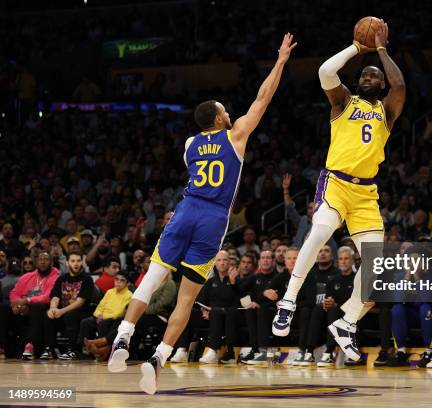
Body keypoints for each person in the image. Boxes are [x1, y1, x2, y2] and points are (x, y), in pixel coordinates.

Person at [107, 33, 297, 395]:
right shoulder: (236, 134)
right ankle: (159, 358)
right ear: (220, 117)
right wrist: (281, 62)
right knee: (186, 298)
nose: (230, 112)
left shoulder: (191, 144)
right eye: (226, 109)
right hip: (212, 219)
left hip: (186, 209)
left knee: (151, 279)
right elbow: (263, 98)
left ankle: (122, 337)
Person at [273, 21, 405, 362]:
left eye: (374, 76)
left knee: (378, 262)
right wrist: (358, 49)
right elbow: (325, 70)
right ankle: (288, 300)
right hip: (336, 182)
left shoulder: (387, 111)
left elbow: (400, 84)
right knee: (318, 233)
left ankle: (347, 322)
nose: (368, 78)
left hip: (365, 195)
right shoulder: (343, 102)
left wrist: (382, 51)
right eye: (364, 75)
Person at [42, 252, 94, 360]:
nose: (76, 264)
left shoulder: (87, 279)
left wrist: (61, 311)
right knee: (49, 314)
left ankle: (72, 350)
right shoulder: (62, 279)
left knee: (71, 314)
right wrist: (53, 309)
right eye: (73, 261)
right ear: (67, 263)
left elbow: (80, 302)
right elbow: (55, 297)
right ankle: (49, 349)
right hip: (65, 312)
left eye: (78, 261)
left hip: (82, 312)